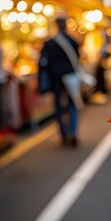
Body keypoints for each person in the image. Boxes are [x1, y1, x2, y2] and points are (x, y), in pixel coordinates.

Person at [38, 17, 79, 146]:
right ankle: (72, 132)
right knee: (73, 105)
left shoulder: (49, 43)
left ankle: (63, 134)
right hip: (71, 78)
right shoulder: (72, 41)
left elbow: (43, 63)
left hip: (55, 79)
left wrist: (43, 84)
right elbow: (78, 59)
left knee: (58, 107)